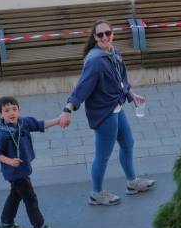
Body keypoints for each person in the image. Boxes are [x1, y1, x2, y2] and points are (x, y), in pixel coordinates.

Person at [59, 21, 155, 207]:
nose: (104, 37)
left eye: (107, 33)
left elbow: (120, 80)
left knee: (128, 143)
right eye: (100, 35)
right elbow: (82, 89)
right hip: (104, 113)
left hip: (116, 107)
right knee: (103, 155)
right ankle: (96, 193)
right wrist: (67, 110)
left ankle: (132, 183)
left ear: (113, 34)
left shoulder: (113, 53)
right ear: (95, 37)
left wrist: (131, 94)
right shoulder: (95, 61)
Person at [0, 97, 63, 228]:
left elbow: (40, 124)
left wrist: (58, 120)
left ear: (19, 110)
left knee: (15, 195)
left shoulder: (24, 123)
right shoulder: (3, 133)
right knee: (30, 199)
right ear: (0, 114)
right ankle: (40, 227)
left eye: (14, 109)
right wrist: (10, 161)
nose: (11, 113)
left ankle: (6, 222)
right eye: (6, 111)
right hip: (14, 172)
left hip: (22, 169)